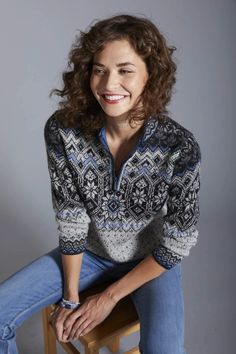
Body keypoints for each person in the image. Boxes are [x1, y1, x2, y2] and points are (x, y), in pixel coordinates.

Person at [0, 14, 201, 354]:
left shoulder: (178, 147)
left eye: (125, 70)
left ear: (150, 76)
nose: (109, 84)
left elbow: (178, 242)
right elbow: (72, 220)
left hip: (151, 260)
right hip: (90, 254)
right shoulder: (63, 131)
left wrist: (108, 298)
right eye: (99, 69)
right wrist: (70, 295)